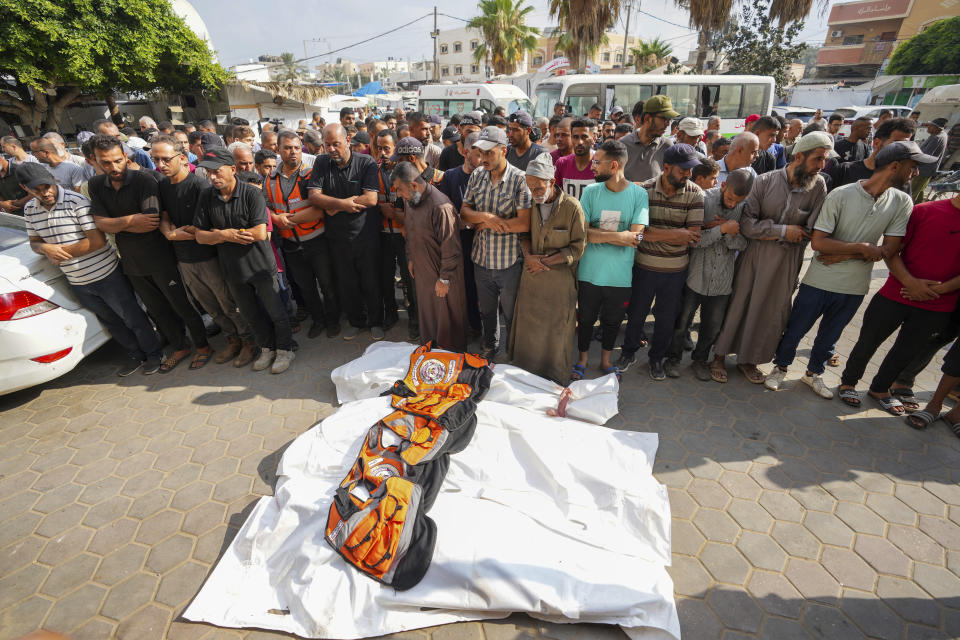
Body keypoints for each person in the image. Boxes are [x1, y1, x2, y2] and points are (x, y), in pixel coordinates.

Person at [765, 141, 922, 399]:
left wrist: (847, 252)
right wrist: (862, 249)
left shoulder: (902, 201)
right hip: (818, 281)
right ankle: (779, 369)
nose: (915, 173)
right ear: (894, 166)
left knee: (830, 338)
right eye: (912, 167)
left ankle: (813, 374)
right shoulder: (841, 194)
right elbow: (818, 243)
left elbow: (889, 249)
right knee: (795, 329)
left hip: (854, 286)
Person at [18, 162, 163, 376]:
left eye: (47, 186)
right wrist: (46, 248)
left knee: (132, 316)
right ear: (25, 188)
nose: (46, 192)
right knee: (110, 321)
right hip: (77, 281)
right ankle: (136, 356)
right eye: (37, 189)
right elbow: (34, 242)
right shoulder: (30, 210)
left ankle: (154, 354)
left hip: (106, 274)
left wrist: (61, 252)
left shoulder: (75, 201)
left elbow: (96, 241)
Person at [710, 132, 831, 384]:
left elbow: (811, 229)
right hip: (754, 255)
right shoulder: (763, 181)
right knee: (739, 304)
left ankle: (748, 359)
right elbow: (747, 224)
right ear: (799, 156)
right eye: (817, 159)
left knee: (770, 310)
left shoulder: (818, 186)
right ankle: (719, 355)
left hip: (787, 262)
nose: (821, 166)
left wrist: (785, 232)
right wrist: (785, 230)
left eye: (824, 160)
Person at [87, 134, 210, 373]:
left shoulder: (145, 180)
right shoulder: (95, 185)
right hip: (131, 261)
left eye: (117, 161)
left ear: (124, 156)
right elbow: (100, 224)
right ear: (96, 161)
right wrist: (131, 219)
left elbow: (151, 221)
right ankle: (180, 346)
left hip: (161, 257)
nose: (113, 167)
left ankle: (204, 346)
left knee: (181, 304)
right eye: (106, 163)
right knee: (157, 310)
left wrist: (114, 222)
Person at [839, 187, 960, 415]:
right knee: (868, 341)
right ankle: (848, 383)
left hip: (938, 304)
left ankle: (880, 389)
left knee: (906, 351)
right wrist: (910, 283)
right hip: (895, 293)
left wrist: (941, 289)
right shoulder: (923, 211)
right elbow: (892, 250)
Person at [193, 148, 295, 373]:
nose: (212, 177)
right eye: (208, 172)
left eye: (217, 172)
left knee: (276, 311)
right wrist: (224, 235)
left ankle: (286, 350)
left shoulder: (251, 194)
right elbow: (200, 236)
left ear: (232, 169)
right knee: (251, 314)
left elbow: (259, 233)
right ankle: (267, 348)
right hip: (232, 269)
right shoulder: (207, 196)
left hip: (260, 267)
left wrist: (217, 234)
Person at [153, 136, 251, 368]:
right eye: (155, 159)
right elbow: (164, 217)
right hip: (184, 258)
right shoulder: (163, 185)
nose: (161, 164)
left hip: (209, 256)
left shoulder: (201, 186)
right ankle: (232, 339)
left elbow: (206, 226)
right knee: (209, 306)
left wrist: (183, 232)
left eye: (166, 159)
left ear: (183, 158)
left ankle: (249, 341)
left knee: (228, 303)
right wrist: (169, 233)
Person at [618, 144, 704, 380]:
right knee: (636, 314)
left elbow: (693, 237)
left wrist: (656, 234)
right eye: (684, 170)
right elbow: (638, 232)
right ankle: (628, 353)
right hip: (644, 267)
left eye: (691, 170)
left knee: (666, 319)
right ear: (666, 167)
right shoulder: (644, 191)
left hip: (675, 272)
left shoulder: (695, 194)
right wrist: (677, 234)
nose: (688, 174)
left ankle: (657, 359)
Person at [664, 168, 753, 382]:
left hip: (722, 280)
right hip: (695, 276)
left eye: (737, 201)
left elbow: (743, 243)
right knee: (681, 322)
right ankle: (672, 359)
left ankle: (700, 360)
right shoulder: (703, 200)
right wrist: (723, 229)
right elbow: (694, 240)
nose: (732, 205)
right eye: (730, 198)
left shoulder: (745, 208)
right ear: (722, 186)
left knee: (712, 327)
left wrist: (723, 229)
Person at [507, 153, 586, 383]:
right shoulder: (529, 203)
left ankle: (553, 377)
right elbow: (523, 234)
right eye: (531, 187)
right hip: (531, 278)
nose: (535, 192)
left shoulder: (572, 208)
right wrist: (529, 256)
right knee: (529, 330)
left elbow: (579, 247)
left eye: (539, 187)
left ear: (552, 182)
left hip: (559, 282)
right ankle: (525, 375)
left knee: (557, 331)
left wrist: (546, 262)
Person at [574, 140, 647, 380]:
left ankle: (605, 360)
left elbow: (636, 238)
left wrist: (601, 235)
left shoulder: (639, 194)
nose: (592, 166)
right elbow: (583, 233)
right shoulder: (591, 192)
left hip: (620, 275)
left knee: (612, 321)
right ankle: (582, 358)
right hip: (589, 272)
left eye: (597, 162)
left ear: (614, 165)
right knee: (585, 319)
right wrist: (620, 236)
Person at [460, 126, 533, 359]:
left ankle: (513, 351)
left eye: (489, 153)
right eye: (481, 153)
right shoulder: (477, 175)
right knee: (488, 311)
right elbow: (464, 212)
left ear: (504, 150)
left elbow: (524, 224)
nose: (483, 159)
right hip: (481, 259)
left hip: (510, 261)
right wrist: (487, 218)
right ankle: (490, 346)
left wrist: (481, 222)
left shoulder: (520, 180)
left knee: (512, 313)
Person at [307, 124, 383, 340]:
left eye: (336, 144)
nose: (331, 149)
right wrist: (343, 204)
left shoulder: (365, 162)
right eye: (327, 145)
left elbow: (371, 199)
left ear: (347, 140)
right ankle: (356, 321)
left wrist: (331, 205)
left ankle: (375, 322)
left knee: (370, 281)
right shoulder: (322, 162)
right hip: (337, 238)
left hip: (365, 236)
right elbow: (314, 196)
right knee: (347, 283)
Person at [265, 129, 340, 339]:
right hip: (290, 245)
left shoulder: (312, 175)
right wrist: (275, 217)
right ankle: (318, 320)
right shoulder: (270, 179)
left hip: (317, 241)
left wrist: (286, 219)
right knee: (306, 288)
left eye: (297, 148)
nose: (293, 152)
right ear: (278, 150)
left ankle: (333, 320)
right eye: (287, 148)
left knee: (327, 284)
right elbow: (266, 207)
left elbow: (321, 209)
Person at [390, 161, 468, 351]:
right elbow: (409, 231)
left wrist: (445, 279)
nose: (398, 195)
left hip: (442, 275)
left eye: (400, 189)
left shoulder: (441, 206)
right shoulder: (411, 201)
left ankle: (449, 360)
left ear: (414, 185)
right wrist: (410, 258)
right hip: (422, 270)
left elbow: (451, 247)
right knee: (428, 316)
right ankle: (430, 353)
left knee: (446, 320)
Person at [439, 131, 484, 336]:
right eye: (478, 153)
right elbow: (446, 215)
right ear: (465, 152)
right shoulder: (450, 177)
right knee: (465, 287)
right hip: (460, 243)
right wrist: (468, 223)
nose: (482, 159)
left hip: (485, 243)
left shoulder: (488, 176)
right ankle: (470, 326)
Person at [828, 117, 916, 190]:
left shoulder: (900, 179)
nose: (902, 150)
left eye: (905, 145)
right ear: (877, 143)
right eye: (897, 144)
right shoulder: (845, 170)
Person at [621, 96, 679, 182]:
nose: (667, 124)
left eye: (669, 120)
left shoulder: (668, 146)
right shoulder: (622, 145)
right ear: (647, 118)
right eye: (664, 119)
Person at [554, 118, 596, 200]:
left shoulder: (601, 163)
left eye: (584, 137)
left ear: (593, 138)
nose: (580, 142)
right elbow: (555, 196)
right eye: (575, 137)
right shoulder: (561, 163)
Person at [912, 118, 949, 203]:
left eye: (931, 126)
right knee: (920, 190)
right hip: (929, 168)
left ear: (938, 128)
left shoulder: (936, 137)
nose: (928, 127)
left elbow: (924, 156)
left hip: (924, 169)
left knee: (914, 191)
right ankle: (918, 207)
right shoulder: (942, 135)